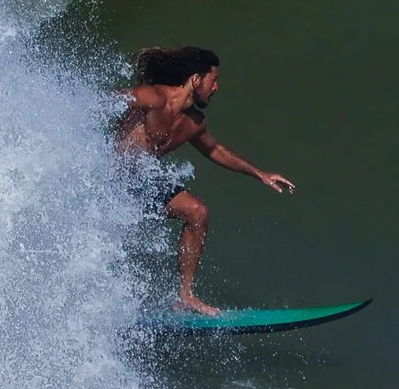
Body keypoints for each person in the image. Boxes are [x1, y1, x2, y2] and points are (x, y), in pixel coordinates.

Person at [116, 45, 294, 314]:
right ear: (197, 79)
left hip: (138, 184)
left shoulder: (193, 122)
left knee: (197, 212)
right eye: (214, 80)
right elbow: (102, 100)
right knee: (116, 239)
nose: (216, 88)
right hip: (105, 183)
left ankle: (185, 296)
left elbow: (214, 150)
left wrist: (260, 174)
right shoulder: (154, 98)